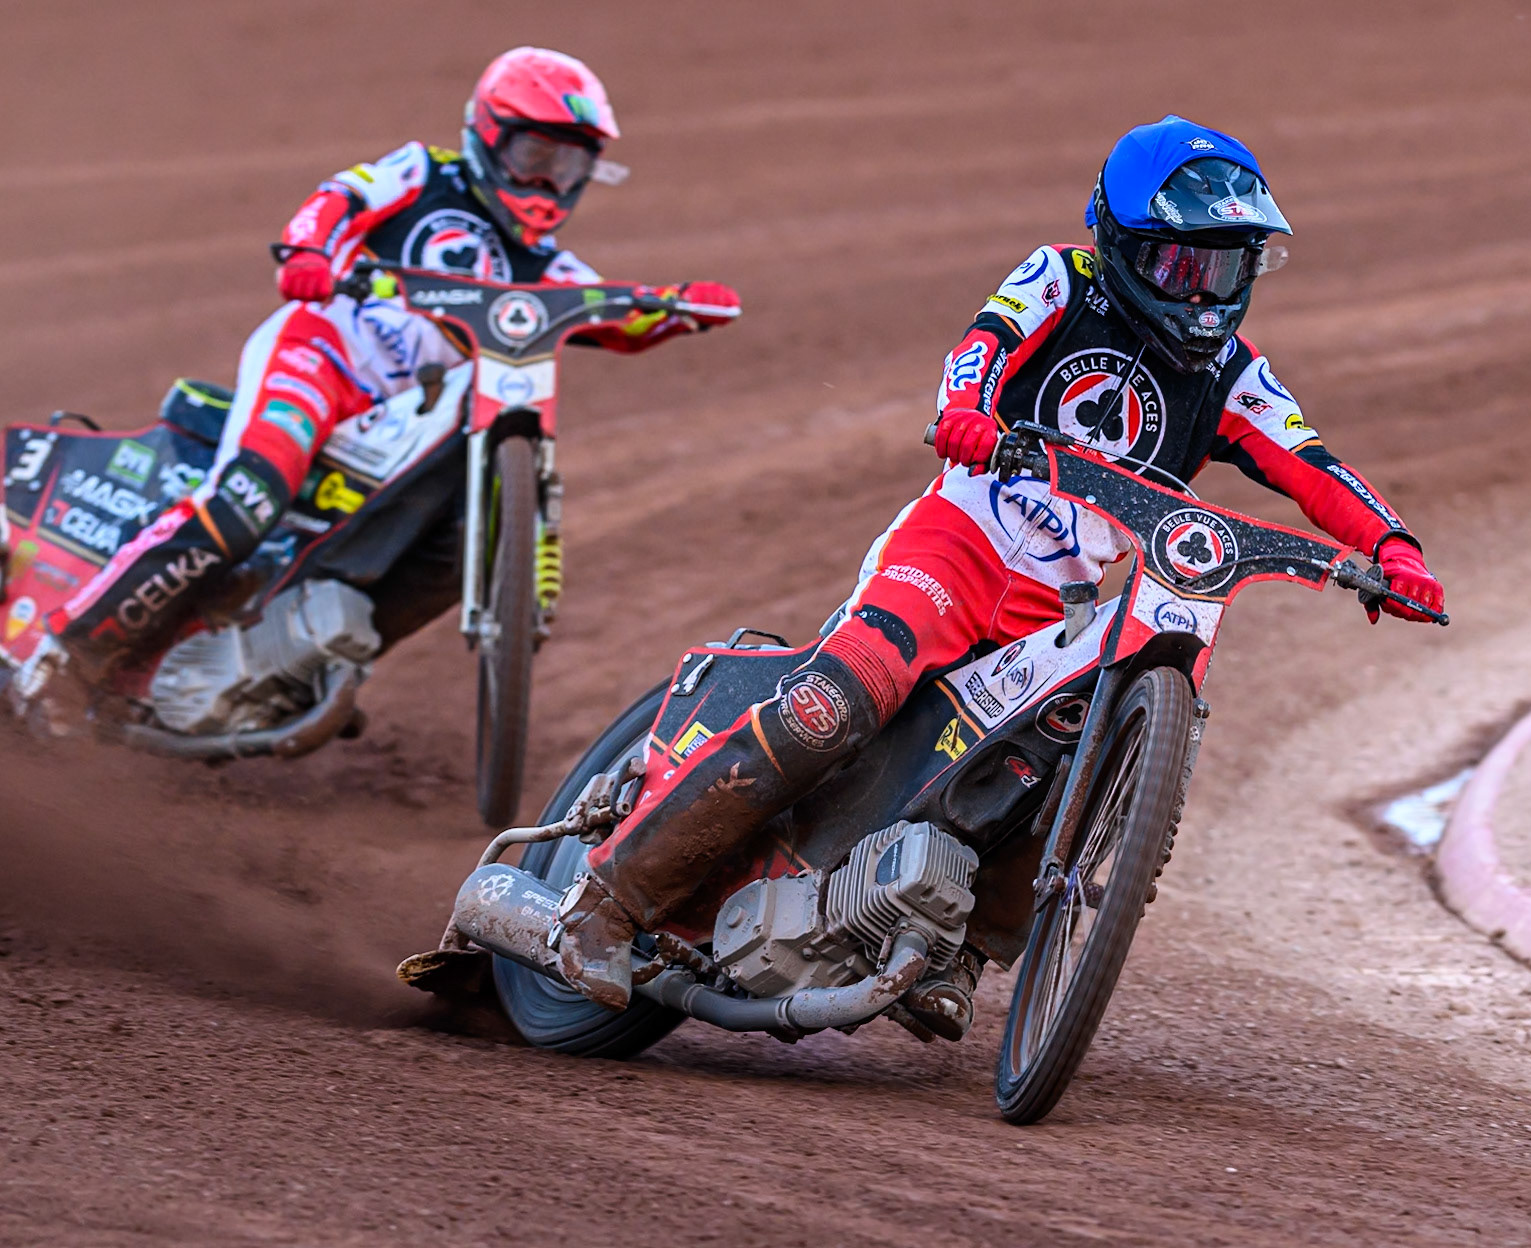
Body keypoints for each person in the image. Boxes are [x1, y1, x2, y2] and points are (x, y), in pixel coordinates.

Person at [550, 115, 1446, 1035]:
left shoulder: (1234, 376)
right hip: (956, 544)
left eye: (1228, 266)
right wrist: (966, 411)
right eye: (1184, 265)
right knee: (840, 699)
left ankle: (959, 951)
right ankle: (605, 903)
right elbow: (979, 346)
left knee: (1062, 766)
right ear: (1123, 244)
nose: (1205, 294)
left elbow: (1313, 465)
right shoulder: (1060, 278)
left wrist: (1393, 549)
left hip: (1054, 607)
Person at [17, 47, 738, 697]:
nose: (550, 181)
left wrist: (678, 309)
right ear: (488, 135)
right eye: (535, 154)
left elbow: (609, 319)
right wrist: (306, 251)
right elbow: (341, 198)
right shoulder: (425, 173)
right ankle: (63, 653)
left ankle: (297, 672)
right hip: (320, 357)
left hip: (403, 421)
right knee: (248, 498)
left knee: (457, 541)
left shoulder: (548, 267)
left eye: (571, 165)